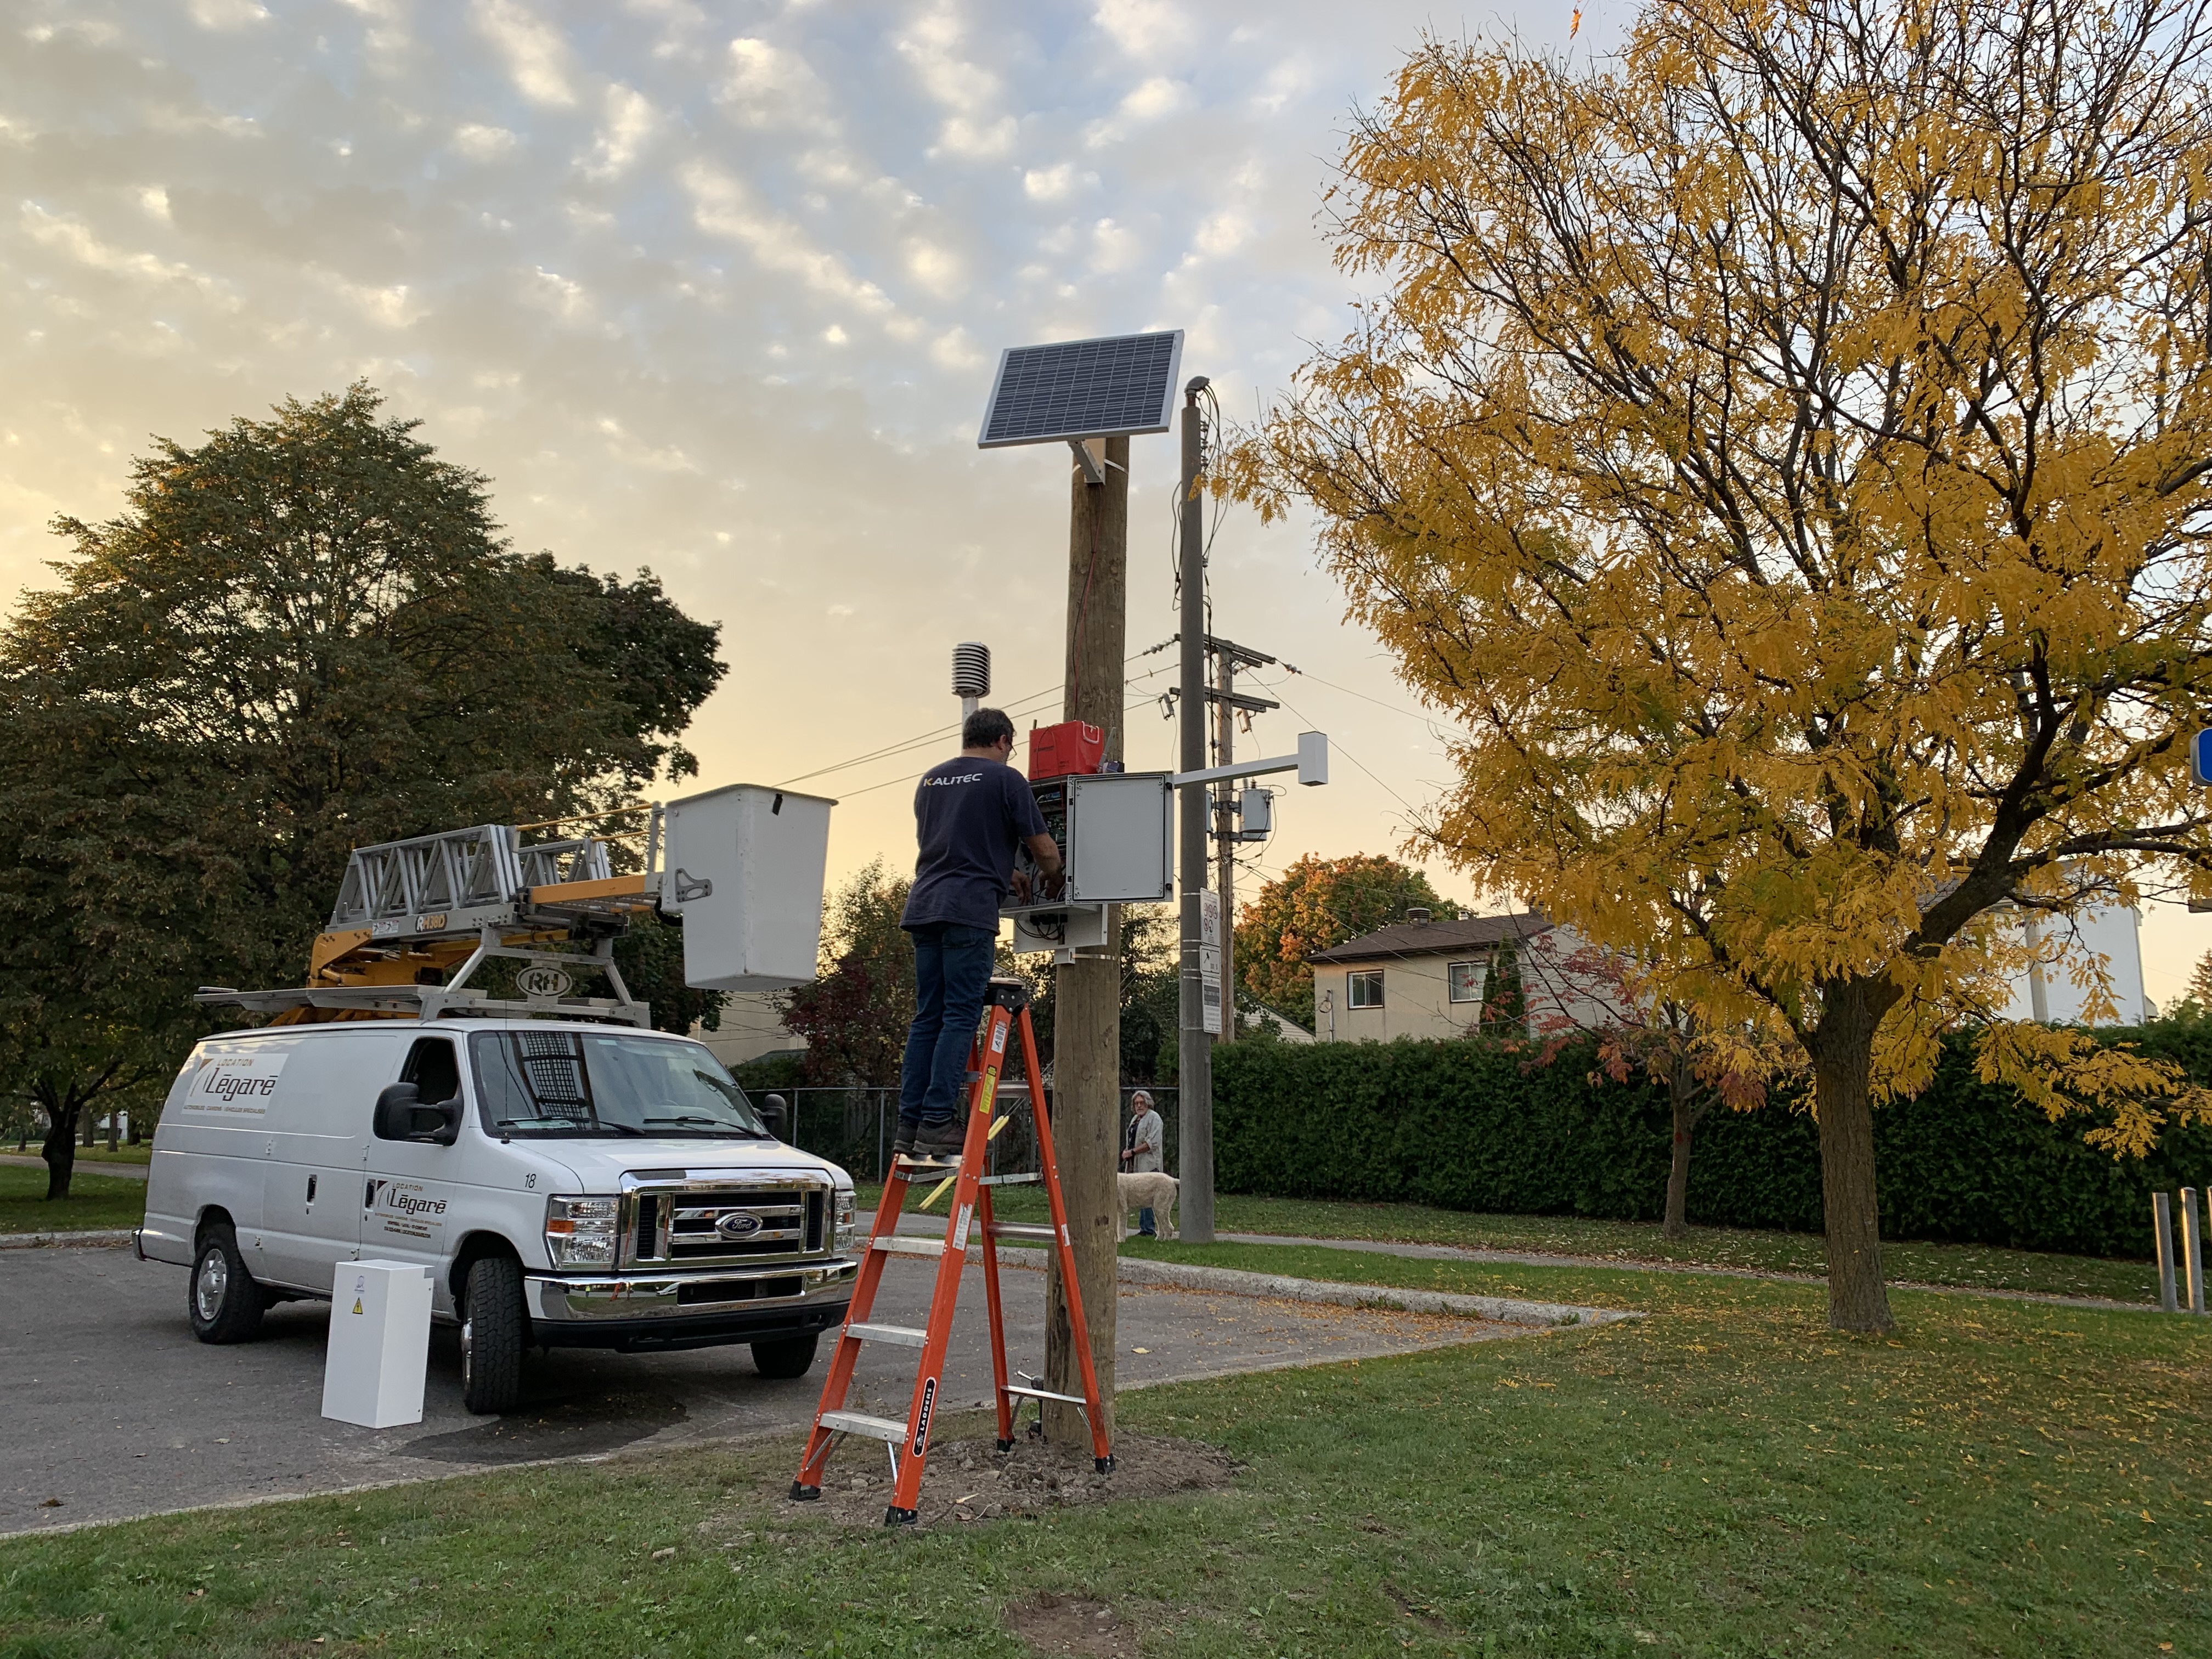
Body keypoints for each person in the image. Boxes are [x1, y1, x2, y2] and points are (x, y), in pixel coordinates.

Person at [894, 708, 1063, 1163]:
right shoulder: (1006, 781)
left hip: (925, 905)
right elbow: (1044, 847)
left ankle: (910, 1126)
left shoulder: (931, 781)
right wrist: (1054, 875)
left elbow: (951, 846)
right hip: (968, 912)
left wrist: (1003, 870)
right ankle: (938, 1122)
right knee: (959, 1015)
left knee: (927, 1016)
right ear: (1005, 741)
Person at [1121, 1089, 1163, 1237]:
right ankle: (1144, 1227)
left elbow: (1152, 1143)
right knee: (1139, 1193)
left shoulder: (1154, 1118)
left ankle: (1149, 1228)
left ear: (1148, 1103)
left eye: (1142, 1102)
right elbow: (1133, 1139)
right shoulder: (1135, 1119)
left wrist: (1132, 1152)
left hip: (1149, 1163)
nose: (1139, 1106)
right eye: (1136, 1103)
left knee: (1148, 1193)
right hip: (1135, 1162)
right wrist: (1127, 1151)